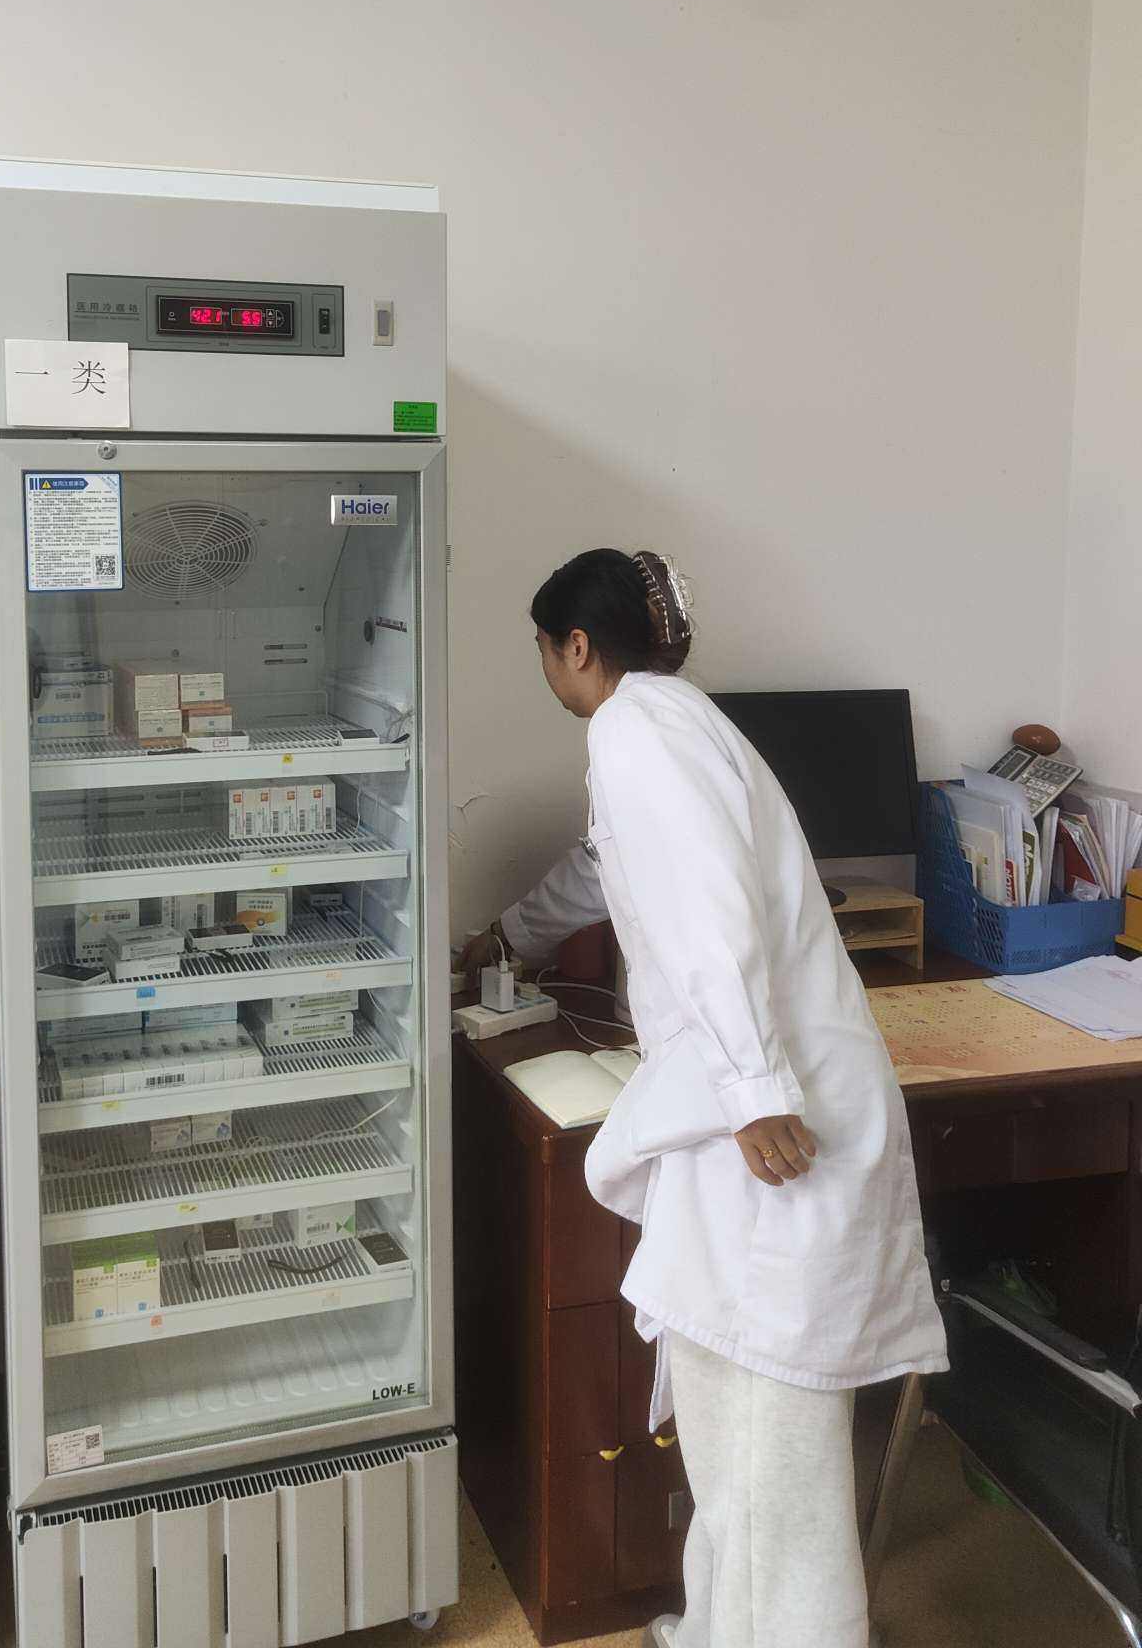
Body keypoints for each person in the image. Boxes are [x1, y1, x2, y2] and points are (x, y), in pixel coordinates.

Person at [459, 548, 947, 1648]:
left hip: (772, 1126)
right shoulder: (671, 724)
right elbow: (607, 869)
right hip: (752, 1105)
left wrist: (754, 1089)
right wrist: (504, 938)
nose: (545, 666)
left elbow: (711, 911)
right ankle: (724, 1626)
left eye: (543, 647)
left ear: (575, 646)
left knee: (770, 1457)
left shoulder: (636, 732)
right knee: (736, 1444)